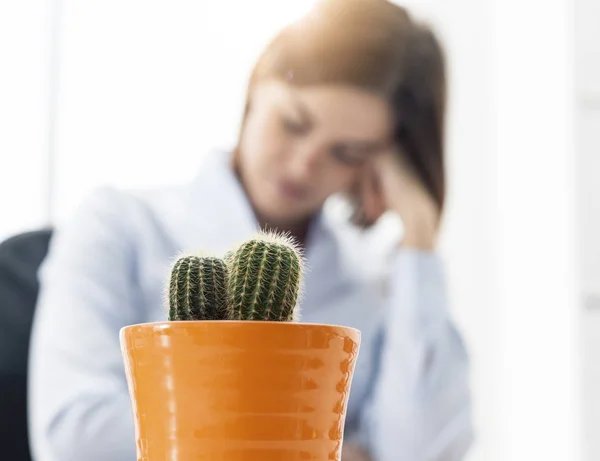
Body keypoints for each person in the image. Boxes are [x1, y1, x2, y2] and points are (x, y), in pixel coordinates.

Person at [27, 1, 474, 460]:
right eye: (294, 123)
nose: (303, 165)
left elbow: (420, 451)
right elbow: (75, 437)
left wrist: (420, 236)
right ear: (259, 82)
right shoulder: (120, 224)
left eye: (346, 153)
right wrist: (314, 445)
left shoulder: (374, 283)